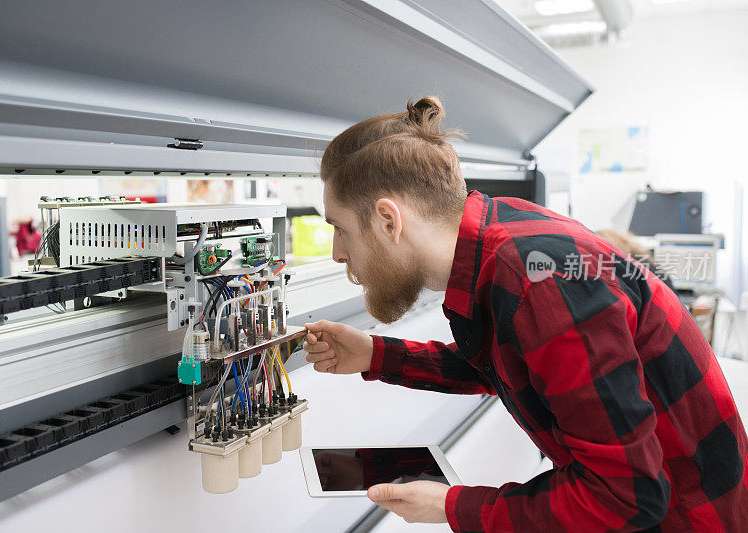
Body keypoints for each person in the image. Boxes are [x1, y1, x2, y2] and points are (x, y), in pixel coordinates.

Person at [303, 96, 748, 532]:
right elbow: (505, 360)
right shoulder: (503, 237)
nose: (338, 253)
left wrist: (456, 507)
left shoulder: (536, 282)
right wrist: (374, 354)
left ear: (388, 220)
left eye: (340, 228)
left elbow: (626, 498)